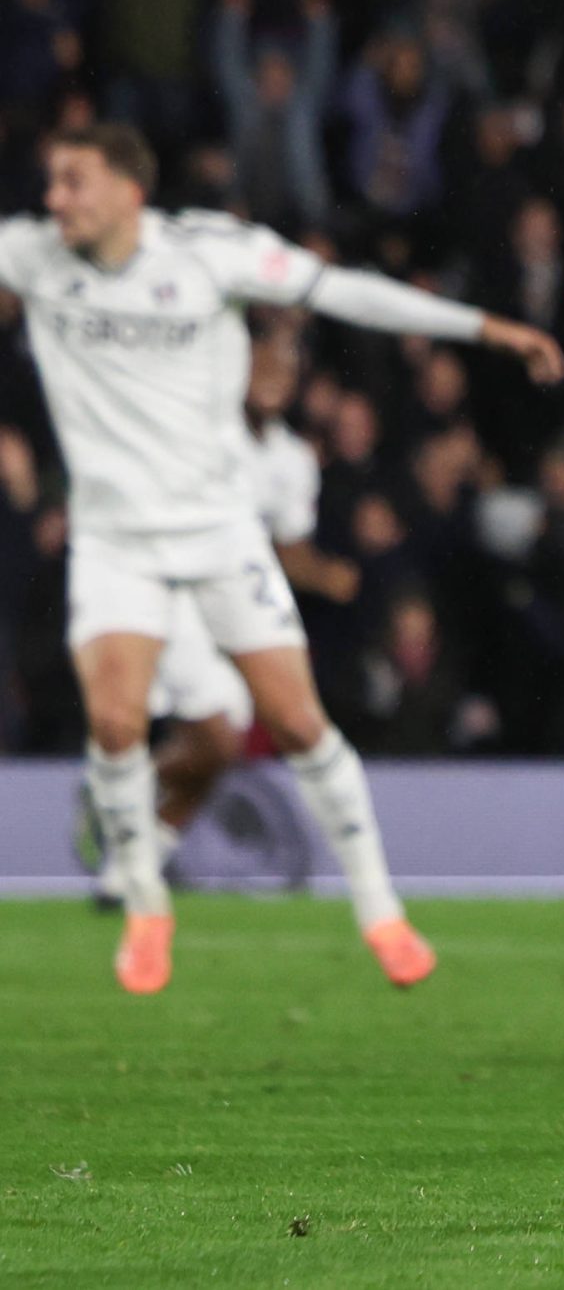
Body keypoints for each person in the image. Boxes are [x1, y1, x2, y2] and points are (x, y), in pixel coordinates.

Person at [0, 122, 563, 993]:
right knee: (114, 725)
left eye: (73, 181)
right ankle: (146, 902)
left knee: (297, 723)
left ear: (127, 186)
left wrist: (485, 328)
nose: (55, 199)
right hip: (115, 540)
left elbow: (347, 292)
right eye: (52, 182)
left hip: (219, 531)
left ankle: (381, 908)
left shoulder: (208, 254)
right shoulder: (32, 256)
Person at [80, 323, 358, 902]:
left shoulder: (293, 459)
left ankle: (131, 859)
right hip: (176, 594)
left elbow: (288, 547)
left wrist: (319, 572)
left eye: (285, 365)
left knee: (218, 746)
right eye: (264, 361)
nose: (274, 376)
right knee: (216, 736)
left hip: (236, 614)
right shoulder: (202, 430)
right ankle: (121, 807)